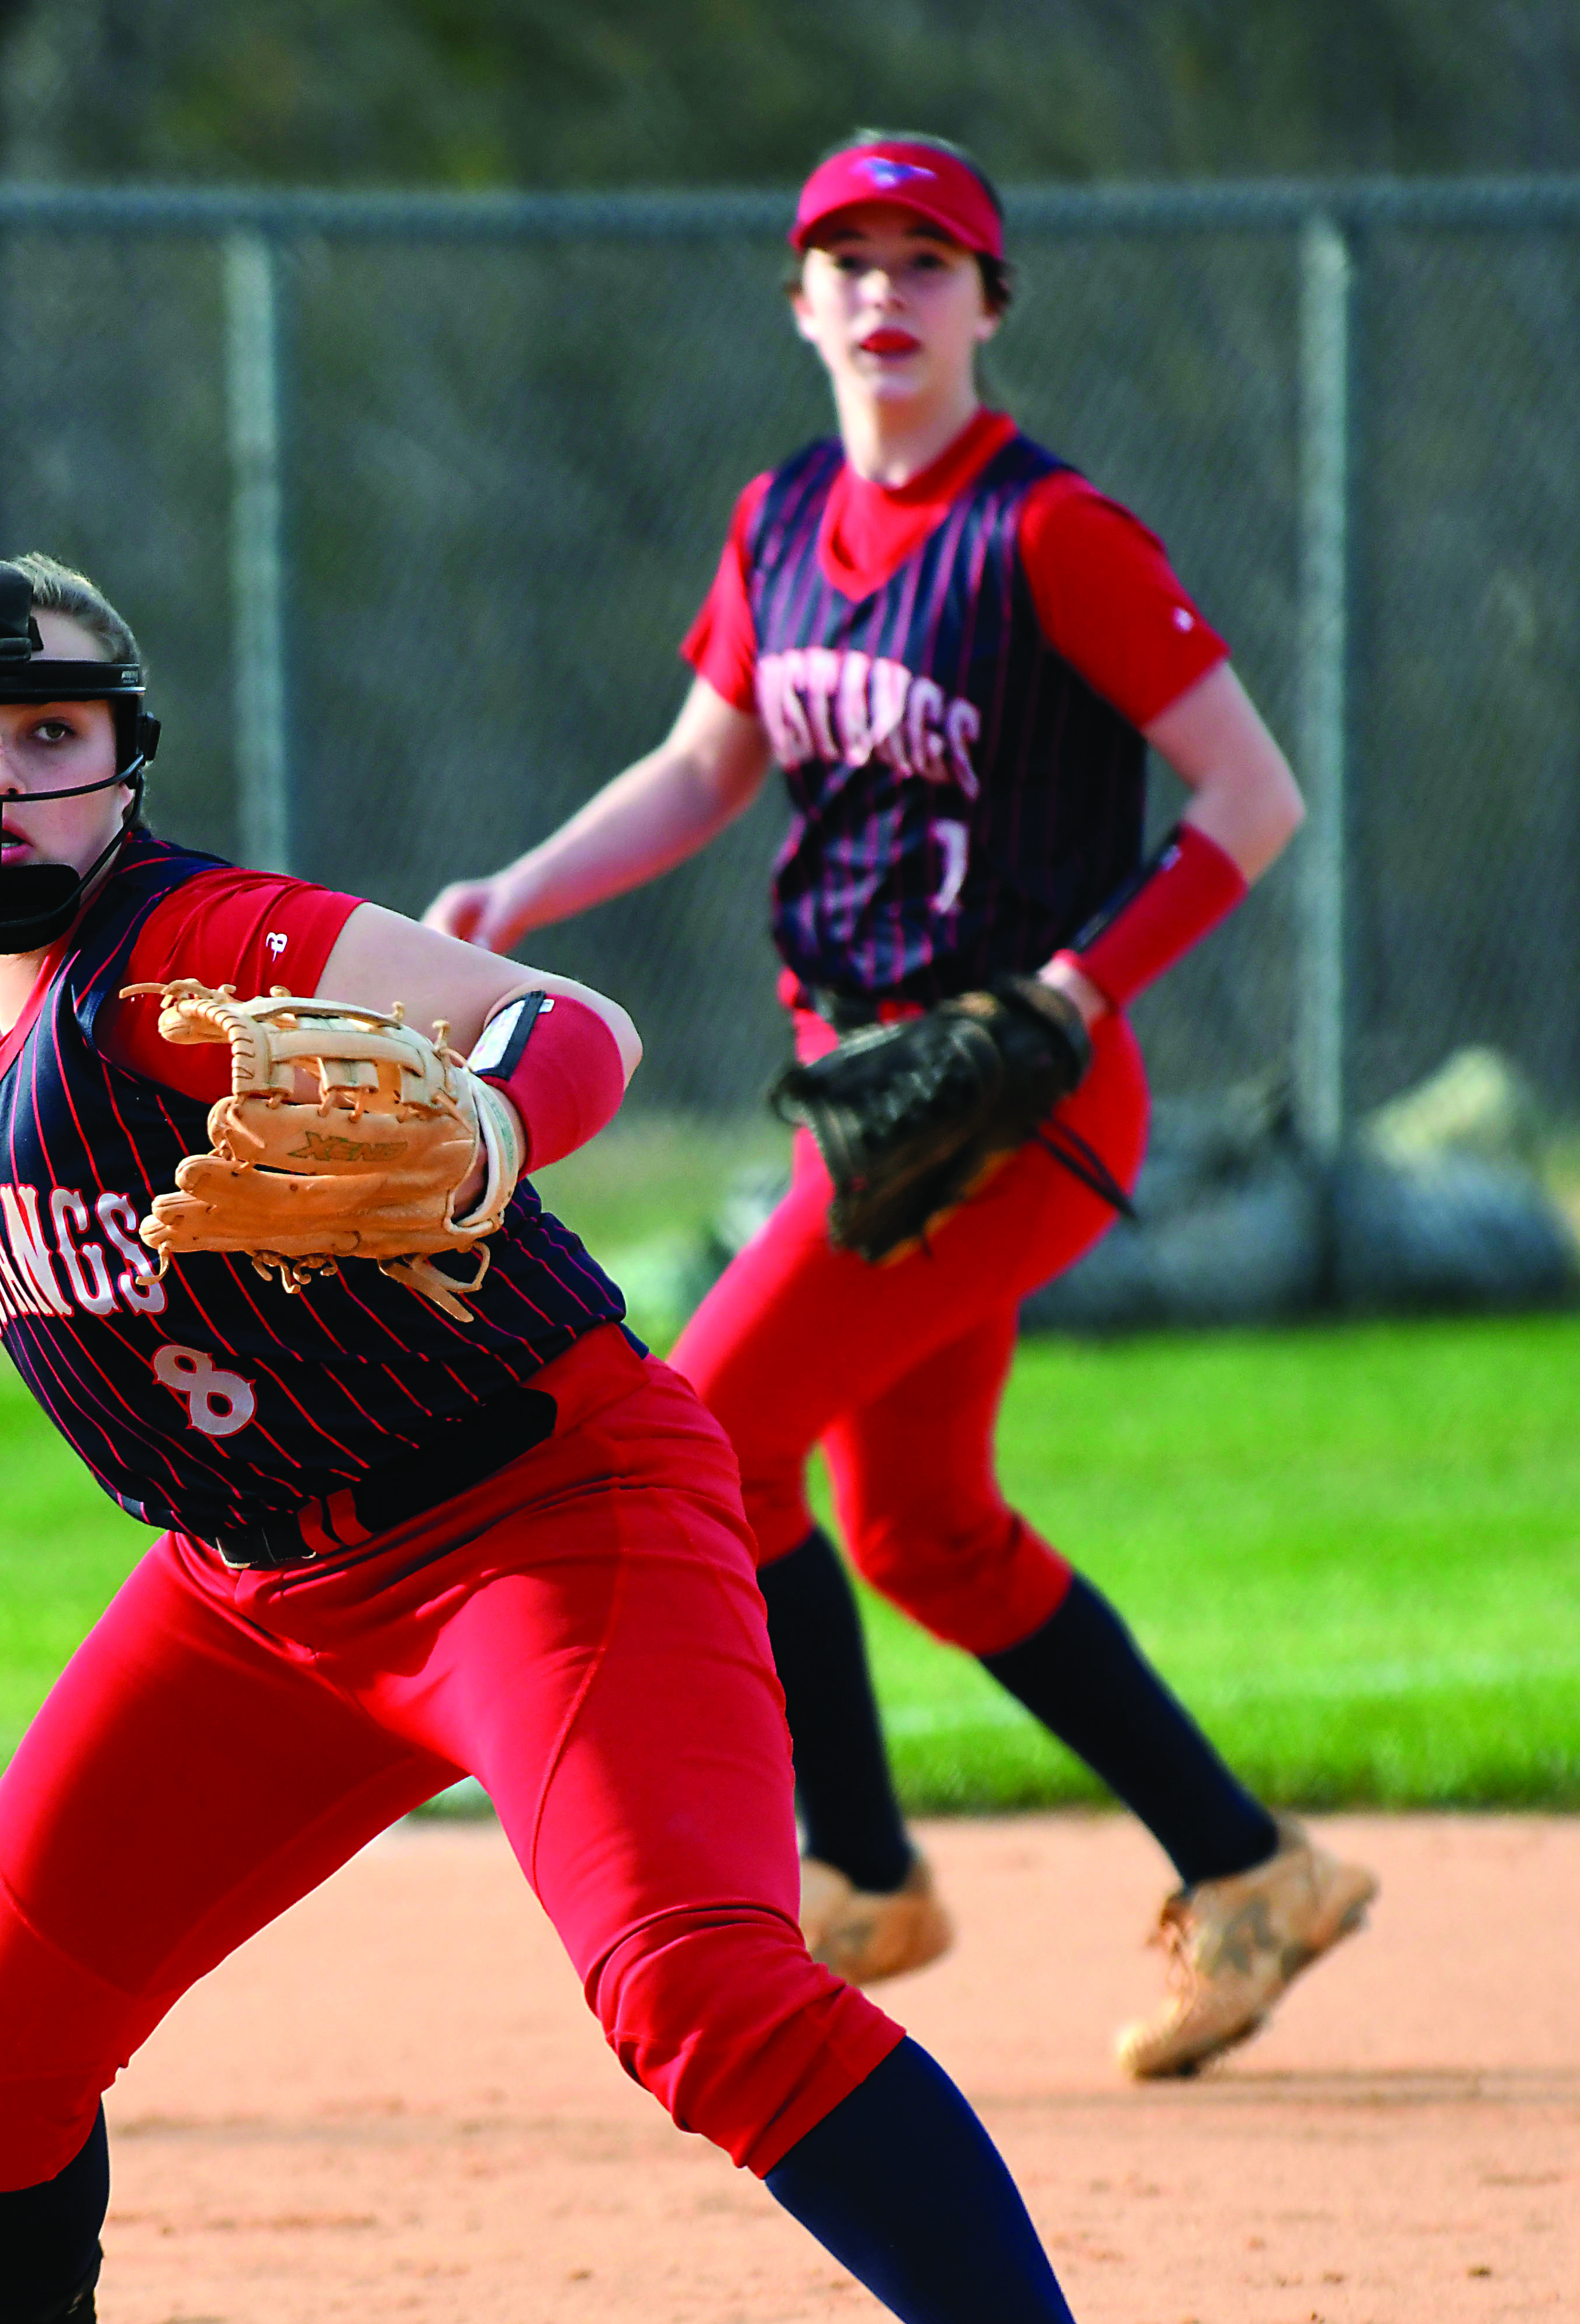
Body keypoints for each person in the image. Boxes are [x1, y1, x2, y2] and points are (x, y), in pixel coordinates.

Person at [0, 552, 1240, 2324]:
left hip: (540, 1523)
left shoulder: (197, 947)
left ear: (127, 765)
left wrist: (485, 1128)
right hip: (253, 1591)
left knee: (691, 1985)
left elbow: (561, 1022)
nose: (0, 784)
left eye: (51, 736)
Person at [426, 133, 1377, 2081]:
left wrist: (1078, 986)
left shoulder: (1049, 534)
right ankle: (1248, 1869)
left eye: (926, 260)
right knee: (925, 1531)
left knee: (698, 1432)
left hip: (1013, 1093)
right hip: (861, 1092)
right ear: (798, 303)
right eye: (846, 259)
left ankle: (859, 1866)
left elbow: (1251, 798)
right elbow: (708, 765)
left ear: (987, 304)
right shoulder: (780, 516)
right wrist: (519, 893)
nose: (884, 291)